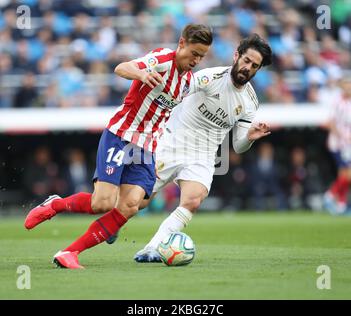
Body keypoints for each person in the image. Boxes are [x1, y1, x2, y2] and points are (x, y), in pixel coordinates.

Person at [24, 24, 213, 269]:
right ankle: (55, 204)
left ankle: (70, 253)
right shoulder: (162, 60)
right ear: (181, 44)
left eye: (202, 56)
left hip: (145, 148)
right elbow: (121, 67)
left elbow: (162, 118)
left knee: (131, 205)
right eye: (194, 53)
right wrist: (142, 74)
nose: (196, 60)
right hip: (121, 135)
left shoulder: (186, 83)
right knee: (102, 202)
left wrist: (154, 155)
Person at [134, 33, 273, 263]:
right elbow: (178, 92)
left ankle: (153, 247)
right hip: (173, 143)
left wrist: (250, 137)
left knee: (193, 200)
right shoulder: (211, 77)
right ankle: (114, 221)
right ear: (236, 56)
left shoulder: (250, 102)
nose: (248, 68)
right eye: (247, 61)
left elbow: (238, 146)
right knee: (138, 201)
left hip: (203, 155)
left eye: (255, 66)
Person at [323, 76, 351, 215]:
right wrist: (342, 137)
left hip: (348, 145)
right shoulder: (337, 102)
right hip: (338, 144)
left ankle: (341, 203)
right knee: (347, 174)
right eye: (346, 85)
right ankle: (330, 195)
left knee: (344, 174)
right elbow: (331, 122)